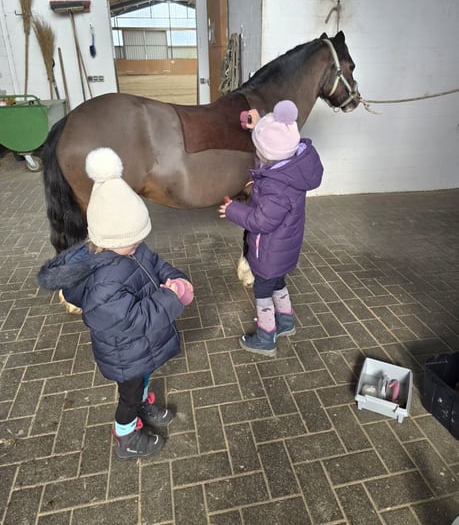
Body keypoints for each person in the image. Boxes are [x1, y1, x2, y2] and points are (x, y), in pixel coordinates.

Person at [38, 147, 194, 460]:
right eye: (132, 239)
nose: (138, 244)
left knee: (143, 380)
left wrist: (175, 278)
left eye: (139, 237)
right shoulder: (104, 285)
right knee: (129, 395)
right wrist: (171, 297)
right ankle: (125, 435)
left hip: (140, 350)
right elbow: (134, 319)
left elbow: (155, 263)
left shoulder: (130, 248)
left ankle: (143, 406)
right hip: (126, 355)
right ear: (109, 237)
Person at [219, 100, 323, 357]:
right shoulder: (291, 168)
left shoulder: (276, 187)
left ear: (269, 154)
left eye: (259, 150)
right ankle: (286, 322)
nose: (257, 154)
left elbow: (261, 221)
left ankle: (266, 337)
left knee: (263, 290)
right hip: (283, 249)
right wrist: (260, 127)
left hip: (269, 252)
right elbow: (274, 164)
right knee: (278, 283)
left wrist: (233, 210)